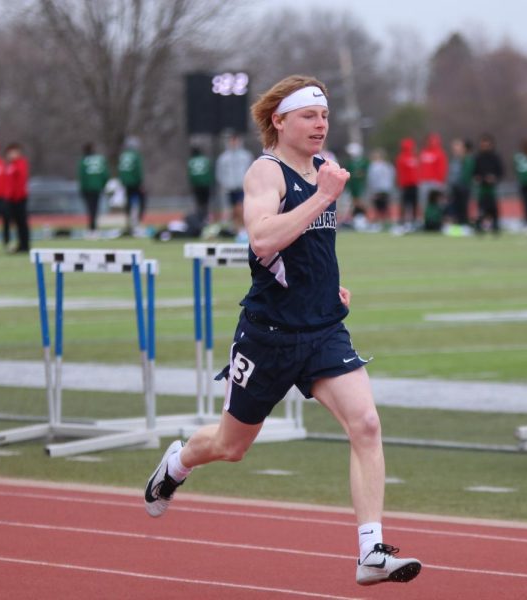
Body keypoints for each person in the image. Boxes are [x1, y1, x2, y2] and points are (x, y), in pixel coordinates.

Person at [143, 74, 422, 587]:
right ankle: (177, 464)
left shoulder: (324, 169)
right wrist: (322, 197)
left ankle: (370, 551)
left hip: (322, 329)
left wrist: (331, 287)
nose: (321, 125)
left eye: (325, 116)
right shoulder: (264, 173)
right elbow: (263, 239)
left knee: (366, 424)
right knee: (232, 446)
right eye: (309, 116)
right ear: (280, 121)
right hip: (268, 335)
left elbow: (314, 248)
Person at [216, 132, 254, 242]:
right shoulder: (223, 158)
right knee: (234, 211)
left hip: (242, 187)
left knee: (240, 208)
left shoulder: (246, 156)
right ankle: (239, 232)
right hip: (230, 188)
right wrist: (225, 183)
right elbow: (220, 173)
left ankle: (245, 229)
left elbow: (251, 169)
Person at [472, 133, 504, 234]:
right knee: (481, 208)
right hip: (481, 187)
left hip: (492, 187)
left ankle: (495, 226)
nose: (484, 146)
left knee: (493, 207)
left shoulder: (495, 157)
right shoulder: (478, 157)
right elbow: (474, 172)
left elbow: (500, 171)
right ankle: (479, 227)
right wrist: (476, 178)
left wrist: (494, 178)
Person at [77, 143, 110, 233]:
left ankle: (92, 227)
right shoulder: (100, 159)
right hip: (97, 187)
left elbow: (82, 175)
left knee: (90, 208)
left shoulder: (84, 160)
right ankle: (94, 226)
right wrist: (103, 185)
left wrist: (82, 188)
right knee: (95, 207)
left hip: (87, 188)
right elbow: (105, 174)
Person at [4, 143, 30, 253]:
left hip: (19, 198)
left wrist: (18, 196)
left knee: (22, 223)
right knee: (15, 224)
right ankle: (19, 244)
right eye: (9, 152)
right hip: (11, 199)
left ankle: (25, 245)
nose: (11, 154)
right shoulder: (9, 165)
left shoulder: (21, 163)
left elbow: (21, 181)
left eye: (13, 152)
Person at [417, 133, 447, 218]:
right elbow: (420, 167)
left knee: (437, 202)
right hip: (424, 182)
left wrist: (440, 181)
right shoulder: (423, 152)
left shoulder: (440, 153)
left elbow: (442, 168)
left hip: (435, 182)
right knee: (423, 203)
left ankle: (438, 219)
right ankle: (424, 219)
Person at [118, 137, 145, 229]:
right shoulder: (135, 155)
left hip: (125, 182)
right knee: (140, 200)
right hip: (134, 182)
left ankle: (129, 220)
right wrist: (140, 182)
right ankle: (137, 221)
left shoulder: (123, 155)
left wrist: (122, 181)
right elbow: (138, 170)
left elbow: (120, 170)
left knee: (128, 202)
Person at [447, 138, 473, 227]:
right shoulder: (453, 160)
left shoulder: (466, 159)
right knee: (454, 207)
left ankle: (464, 224)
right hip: (454, 187)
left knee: (463, 207)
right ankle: (457, 225)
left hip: (463, 187)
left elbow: (467, 174)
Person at [366, 148, 395, 229]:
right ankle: (387, 223)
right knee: (386, 207)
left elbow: (371, 179)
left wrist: (372, 190)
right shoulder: (388, 166)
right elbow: (392, 176)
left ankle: (379, 223)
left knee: (378, 207)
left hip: (377, 189)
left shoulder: (373, 166)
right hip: (386, 189)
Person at [395, 137, 419, 230]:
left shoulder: (414, 157)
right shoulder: (402, 158)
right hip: (405, 185)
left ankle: (412, 222)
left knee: (412, 204)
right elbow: (400, 172)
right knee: (405, 204)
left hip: (413, 185)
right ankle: (403, 222)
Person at [344, 142, 370, 227]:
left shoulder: (364, 162)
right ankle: (355, 221)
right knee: (354, 204)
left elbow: (366, 173)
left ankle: (366, 220)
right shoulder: (350, 163)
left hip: (362, 186)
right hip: (353, 187)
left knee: (362, 203)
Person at [187, 146, 214, 227]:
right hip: (206, 184)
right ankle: (206, 218)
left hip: (196, 185)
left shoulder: (191, 161)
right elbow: (209, 171)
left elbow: (190, 175)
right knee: (206, 203)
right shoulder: (205, 160)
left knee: (199, 203)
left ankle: (200, 218)